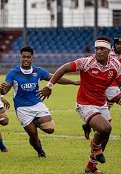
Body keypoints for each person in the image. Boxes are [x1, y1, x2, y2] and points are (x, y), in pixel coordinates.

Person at [38, 36, 121, 173]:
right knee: (106, 128)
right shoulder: (86, 62)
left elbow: (118, 84)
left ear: (108, 51)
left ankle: (90, 167)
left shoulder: (116, 65)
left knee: (104, 135)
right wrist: (49, 85)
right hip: (85, 104)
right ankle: (94, 146)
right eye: (96, 49)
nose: (98, 52)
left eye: (102, 49)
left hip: (101, 103)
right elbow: (63, 68)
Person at [0, 46, 79, 158]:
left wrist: (73, 82)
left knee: (50, 129)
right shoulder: (13, 72)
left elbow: (55, 78)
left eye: (28, 57)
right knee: (33, 135)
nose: (26, 59)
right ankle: (40, 152)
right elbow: (5, 89)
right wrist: (2, 89)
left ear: (33, 58)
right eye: (24, 57)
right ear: (20, 57)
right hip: (22, 108)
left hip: (37, 105)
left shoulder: (38, 71)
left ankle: (36, 123)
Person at [82, 35, 121, 140]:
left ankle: (88, 125)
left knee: (105, 113)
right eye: (117, 44)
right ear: (113, 45)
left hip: (115, 85)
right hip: (109, 85)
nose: (119, 46)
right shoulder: (108, 54)